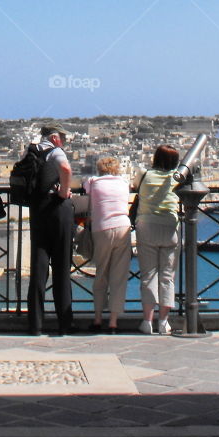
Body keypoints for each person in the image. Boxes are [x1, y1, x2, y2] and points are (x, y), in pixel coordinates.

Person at [27, 125, 74, 336]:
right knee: (61, 267)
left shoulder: (31, 151)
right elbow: (65, 169)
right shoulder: (55, 151)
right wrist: (64, 192)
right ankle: (64, 323)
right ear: (54, 137)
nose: (63, 141)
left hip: (37, 210)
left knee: (39, 268)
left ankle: (35, 324)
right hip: (57, 209)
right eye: (62, 137)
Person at [134, 144, 181, 336]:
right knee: (167, 276)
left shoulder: (143, 174)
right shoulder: (176, 178)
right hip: (170, 227)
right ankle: (164, 322)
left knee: (148, 276)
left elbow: (136, 189)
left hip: (146, 227)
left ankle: (147, 321)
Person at [84, 155, 132, 332]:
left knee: (101, 273)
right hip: (123, 227)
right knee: (119, 277)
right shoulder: (124, 182)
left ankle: (97, 319)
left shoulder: (94, 182)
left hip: (102, 229)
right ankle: (113, 321)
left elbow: (85, 187)